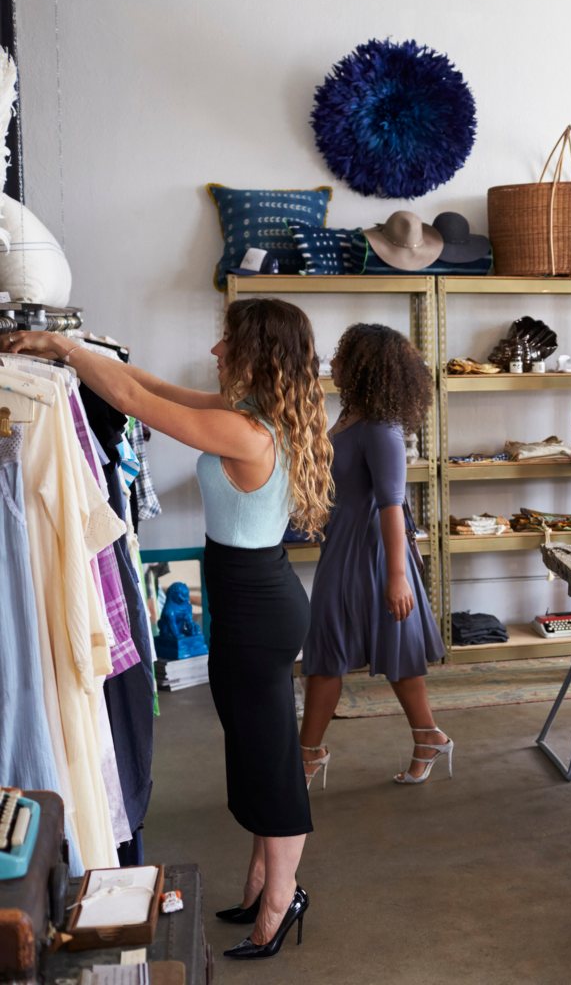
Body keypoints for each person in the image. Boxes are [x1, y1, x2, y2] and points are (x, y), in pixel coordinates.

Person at [6, 298, 332, 959]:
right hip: (249, 604)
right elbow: (146, 386)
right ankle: (264, 880)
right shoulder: (254, 417)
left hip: (257, 613)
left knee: (270, 761)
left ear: (257, 352)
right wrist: (80, 356)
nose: (215, 353)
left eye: (226, 342)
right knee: (254, 752)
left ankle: (282, 898)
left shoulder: (251, 434)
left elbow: (130, 396)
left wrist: (60, 347)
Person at [299, 324, 449, 787]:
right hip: (343, 547)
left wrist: (399, 577)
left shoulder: (381, 429)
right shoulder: (350, 418)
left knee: (376, 650)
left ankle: (306, 755)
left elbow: (391, 505)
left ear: (364, 366)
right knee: (332, 648)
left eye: (343, 356)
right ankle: (427, 736)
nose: (334, 363)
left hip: (376, 555)